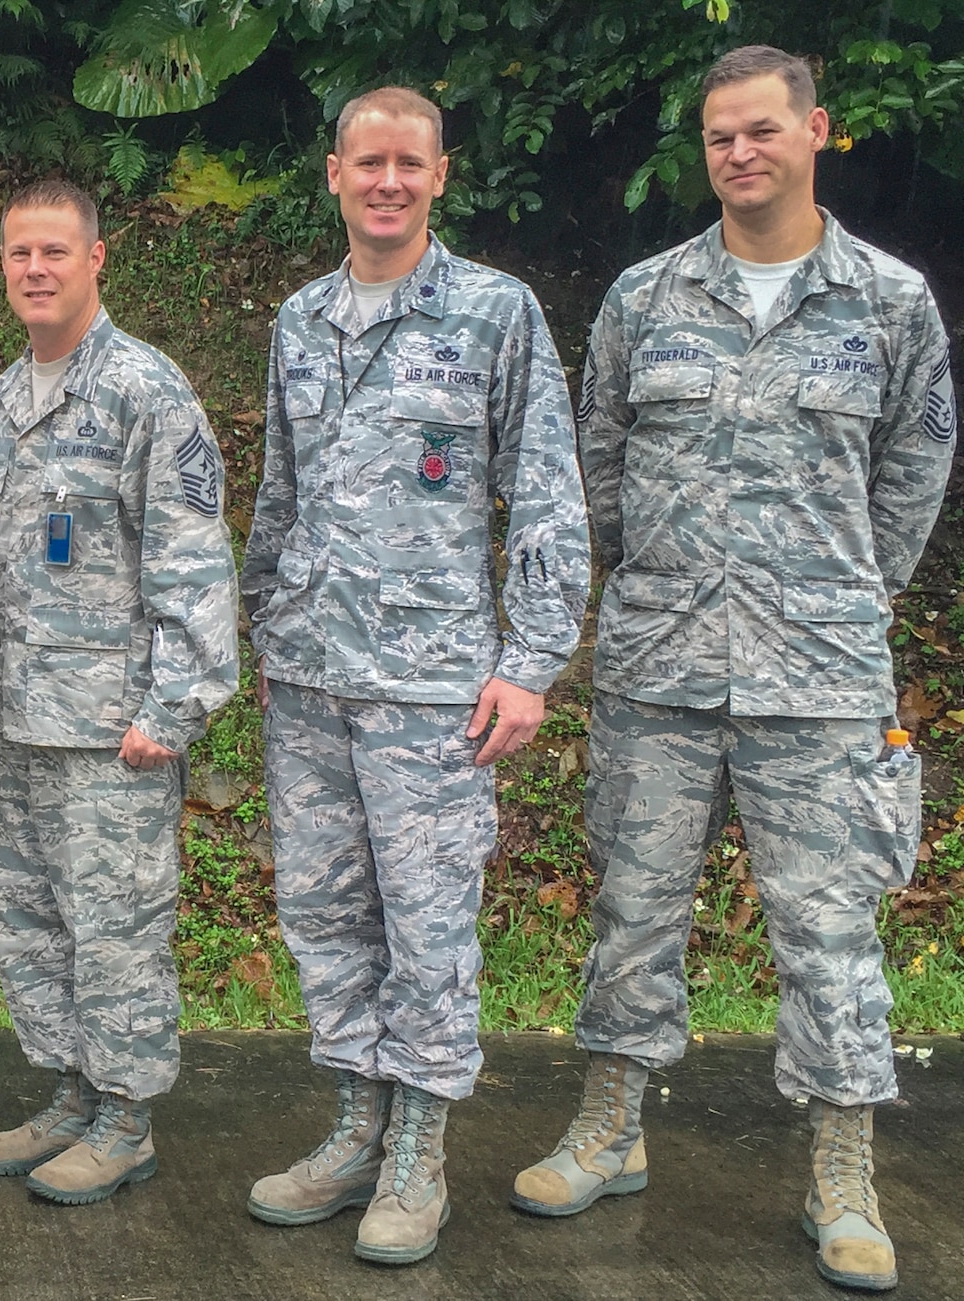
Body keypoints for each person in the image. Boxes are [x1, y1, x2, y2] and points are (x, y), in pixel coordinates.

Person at [511, 46, 955, 1294]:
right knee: (632, 907)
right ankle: (609, 1125)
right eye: (718, 135)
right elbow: (597, 461)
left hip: (816, 677)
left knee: (829, 929)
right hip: (658, 665)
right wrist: (657, 577)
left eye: (761, 129)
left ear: (815, 131)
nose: (738, 152)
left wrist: (837, 593)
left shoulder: (888, 301)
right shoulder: (644, 298)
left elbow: (912, 477)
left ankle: (842, 1173)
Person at [239, 86, 590, 1264]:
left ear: (440, 175)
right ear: (332, 173)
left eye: (407, 162)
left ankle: (418, 1152)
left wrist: (529, 661)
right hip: (309, 677)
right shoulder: (299, 318)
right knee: (325, 914)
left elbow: (545, 494)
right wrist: (264, 623)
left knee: (426, 925)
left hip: (432, 685)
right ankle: (356, 1125)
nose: (385, 181)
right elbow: (279, 490)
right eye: (366, 161)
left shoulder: (493, 312)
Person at [0, 180, 238, 1205]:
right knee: (31, 916)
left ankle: (125, 1117)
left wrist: (172, 707)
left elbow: (192, 558)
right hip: (20, 715)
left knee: (115, 926)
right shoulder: (3, 398)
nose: (35, 270)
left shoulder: (143, 391)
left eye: (54, 252)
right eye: (18, 253)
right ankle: (71, 1092)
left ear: (95, 259)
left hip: (113, 728)